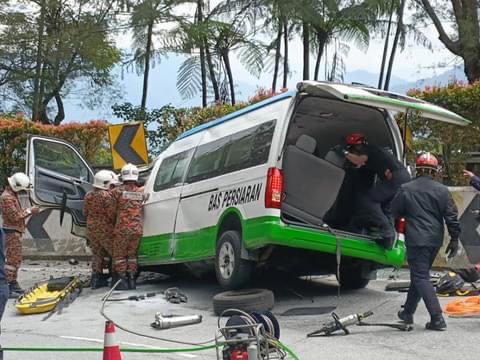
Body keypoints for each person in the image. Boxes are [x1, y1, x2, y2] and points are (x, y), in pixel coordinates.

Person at [391, 153, 461, 331]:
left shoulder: (405, 189)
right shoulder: (442, 190)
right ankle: (407, 312)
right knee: (419, 275)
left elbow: (394, 212)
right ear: (434, 171)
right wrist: (454, 239)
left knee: (421, 276)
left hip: (416, 239)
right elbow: (451, 217)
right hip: (434, 240)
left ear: (418, 169)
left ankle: (437, 318)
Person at [336, 133, 410, 248]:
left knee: (369, 200)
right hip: (402, 178)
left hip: (397, 178)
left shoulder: (367, 148)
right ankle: (388, 241)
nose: (352, 153)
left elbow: (359, 161)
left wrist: (344, 152)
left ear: (356, 146)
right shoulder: (374, 156)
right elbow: (362, 169)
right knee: (386, 209)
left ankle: (387, 232)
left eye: (352, 150)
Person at [0, 173, 39, 297]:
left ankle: (12, 283)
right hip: (11, 232)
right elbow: (15, 216)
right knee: (12, 261)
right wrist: (30, 211)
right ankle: (8, 286)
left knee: (15, 260)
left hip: (14, 232)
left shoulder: (12, 195)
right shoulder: (7, 198)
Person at [110, 163, 144, 290]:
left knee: (119, 255)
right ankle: (132, 281)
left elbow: (111, 210)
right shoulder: (142, 191)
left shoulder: (116, 192)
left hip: (122, 229)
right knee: (132, 255)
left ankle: (122, 281)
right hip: (137, 229)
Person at [83, 170, 118, 289]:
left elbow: (85, 212)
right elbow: (111, 214)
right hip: (105, 229)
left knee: (97, 254)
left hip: (91, 229)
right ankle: (115, 278)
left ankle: (96, 279)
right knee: (114, 252)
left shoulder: (88, 195)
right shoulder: (107, 196)